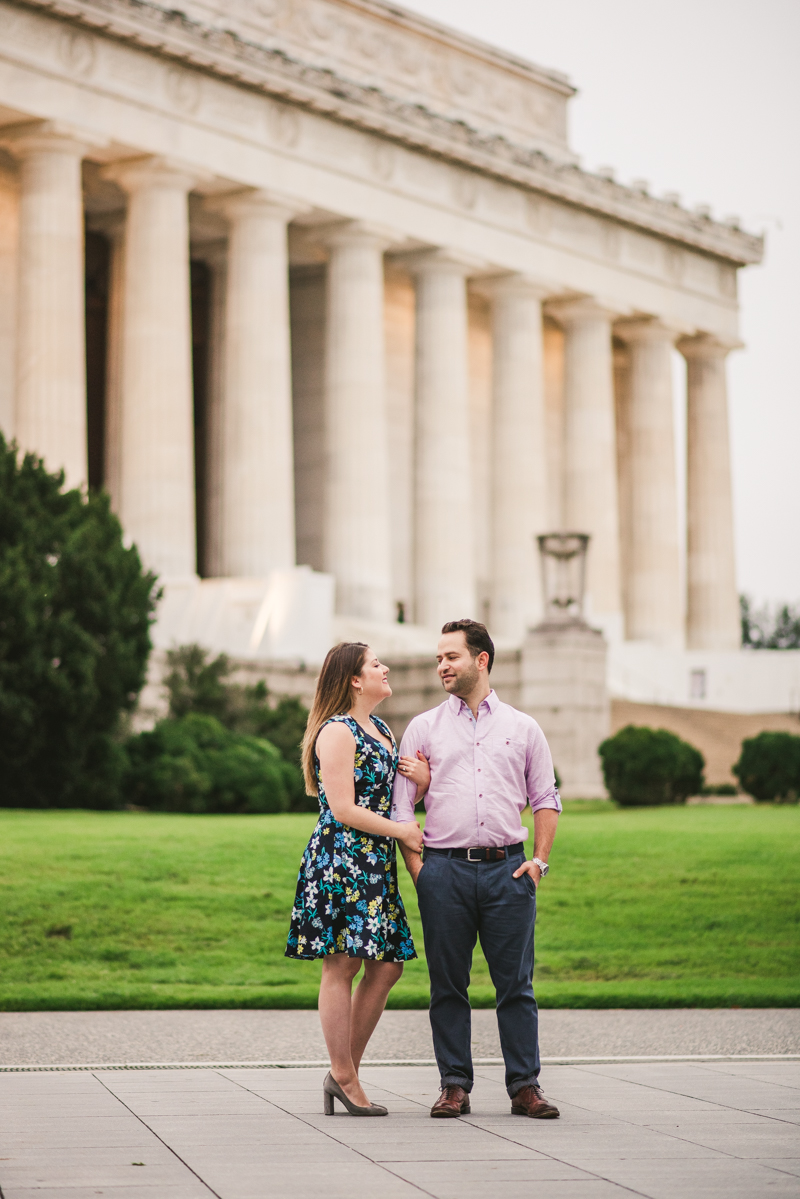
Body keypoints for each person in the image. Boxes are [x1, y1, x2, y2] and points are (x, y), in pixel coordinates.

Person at [393, 618, 562, 1119]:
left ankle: (525, 1087)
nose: (442, 666)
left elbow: (546, 798)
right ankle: (453, 1085)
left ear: (481, 660)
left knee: (517, 985)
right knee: (447, 986)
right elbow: (403, 810)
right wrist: (421, 871)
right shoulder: (423, 728)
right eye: (438, 658)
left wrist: (539, 862)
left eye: (451, 657)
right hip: (443, 873)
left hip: (509, 871)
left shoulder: (522, 727)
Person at [285, 641, 424, 1118]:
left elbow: (393, 795)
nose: (385, 668)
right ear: (354, 679)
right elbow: (342, 809)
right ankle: (344, 1076)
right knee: (342, 964)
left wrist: (420, 781)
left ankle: (343, 1072)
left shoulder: (382, 729)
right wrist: (402, 831)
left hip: (373, 861)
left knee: (386, 966)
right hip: (340, 858)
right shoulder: (337, 732)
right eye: (375, 664)